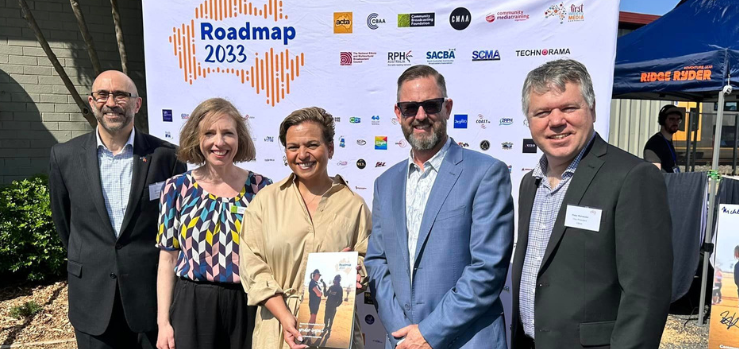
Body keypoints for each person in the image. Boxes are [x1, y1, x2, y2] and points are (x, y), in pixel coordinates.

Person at [511, 59, 673, 349]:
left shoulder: (632, 177)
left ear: (593, 109)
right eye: (542, 112)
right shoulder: (529, 184)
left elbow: (647, 295)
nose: (556, 121)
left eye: (569, 108)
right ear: (529, 120)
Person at [365, 65, 514, 349]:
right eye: (410, 107)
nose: (420, 116)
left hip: (467, 341)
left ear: (447, 107)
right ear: (398, 113)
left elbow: (487, 269)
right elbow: (376, 261)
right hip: (402, 342)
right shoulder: (385, 183)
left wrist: (428, 333)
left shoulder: (486, 173)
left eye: (430, 105)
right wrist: (403, 332)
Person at [48, 70, 187, 349]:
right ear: (91, 101)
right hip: (92, 298)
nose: (111, 102)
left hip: (151, 300)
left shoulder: (167, 157)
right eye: (103, 94)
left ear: (137, 104)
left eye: (121, 95)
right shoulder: (63, 156)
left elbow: (175, 228)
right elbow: (65, 222)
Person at [239, 107, 370, 349]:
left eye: (312, 145)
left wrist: (357, 273)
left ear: (330, 148)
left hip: (334, 332)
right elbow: (252, 267)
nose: (302, 155)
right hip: (277, 331)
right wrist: (285, 316)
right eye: (293, 147)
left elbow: (369, 260)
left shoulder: (354, 205)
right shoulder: (265, 202)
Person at [154, 98, 271, 349]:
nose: (219, 142)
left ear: (240, 138)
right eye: (209, 133)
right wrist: (163, 323)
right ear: (197, 138)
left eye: (227, 133)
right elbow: (168, 259)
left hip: (248, 302)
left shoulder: (262, 188)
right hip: (193, 304)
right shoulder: (176, 188)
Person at [643, 104, 683, 173]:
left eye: (678, 119)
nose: (675, 122)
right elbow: (655, 173)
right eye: (671, 119)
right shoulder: (654, 144)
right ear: (662, 121)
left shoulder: (668, 142)